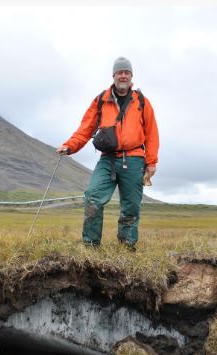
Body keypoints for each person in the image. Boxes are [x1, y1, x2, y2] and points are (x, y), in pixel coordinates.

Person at [57, 57, 159, 250]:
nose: (123, 75)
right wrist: (69, 146)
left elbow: (152, 133)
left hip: (135, 159)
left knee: (130, 207)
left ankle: (126, 248)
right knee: (93, 197)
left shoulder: (142, 102)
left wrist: (151, 162)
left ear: (131, 76)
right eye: (119, 72)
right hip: (108, 159)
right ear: (113, 76)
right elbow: (85, 129)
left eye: (126, 72)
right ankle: (90, 246)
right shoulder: (101, 100)